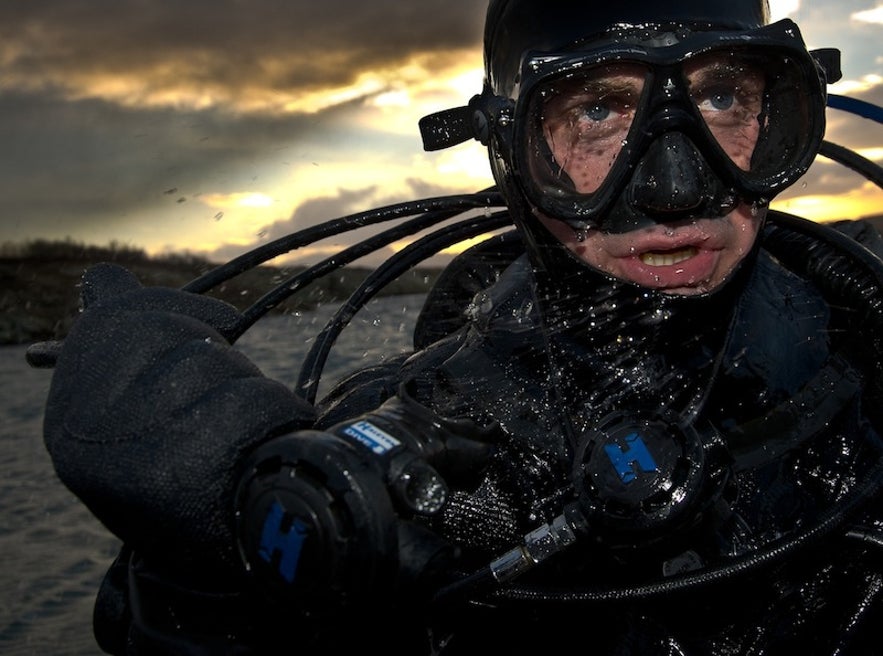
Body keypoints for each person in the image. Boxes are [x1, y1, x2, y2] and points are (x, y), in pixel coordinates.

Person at [32, 0, 883, 654]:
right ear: (509, 145)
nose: (674, 183)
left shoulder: (862, 322)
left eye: (723, 95)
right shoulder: (421, 438)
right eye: (596, 112)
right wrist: (210, 566)